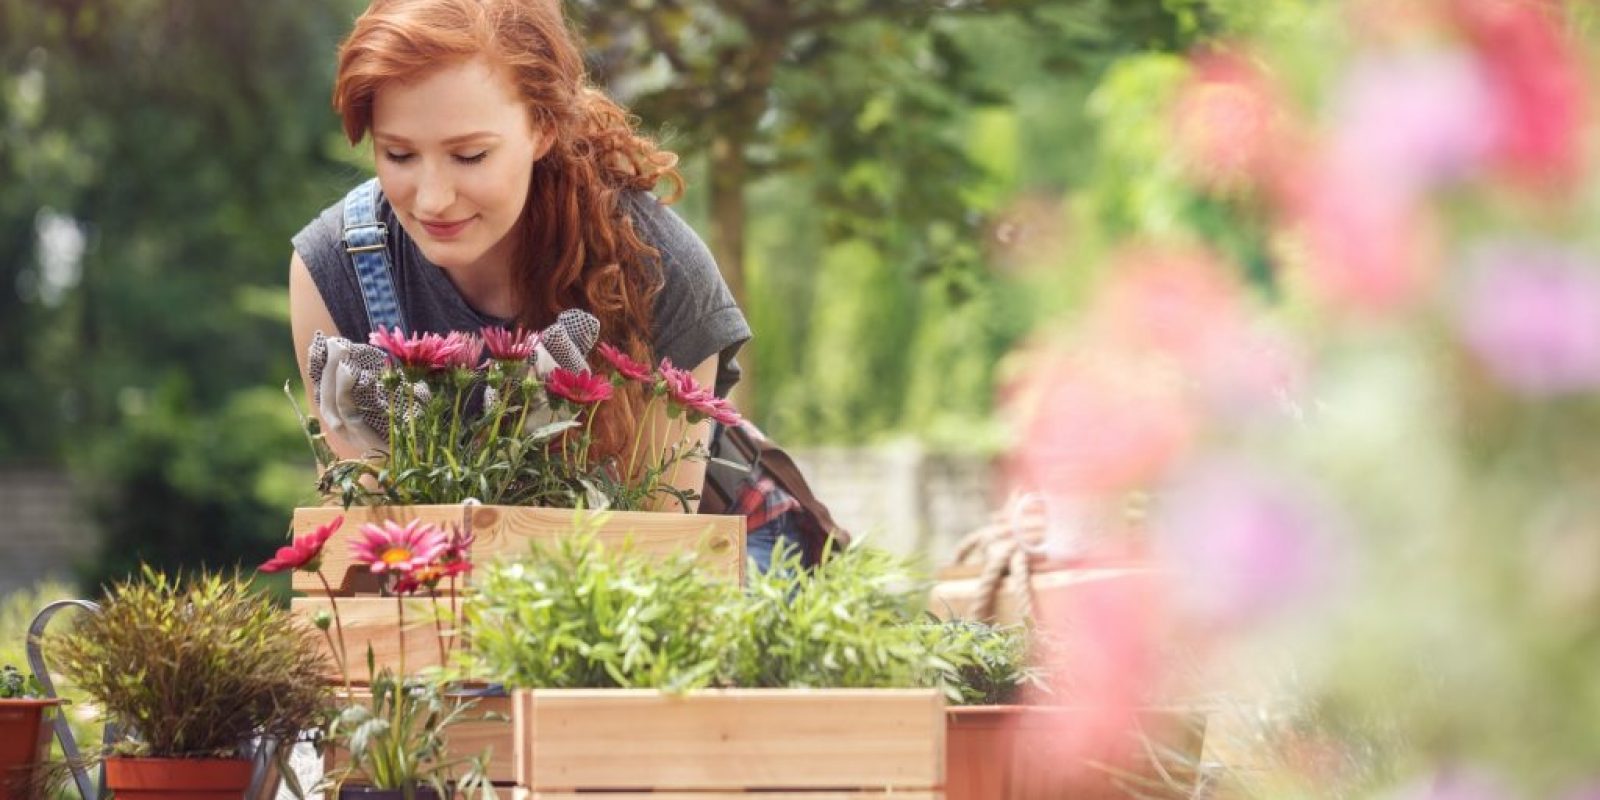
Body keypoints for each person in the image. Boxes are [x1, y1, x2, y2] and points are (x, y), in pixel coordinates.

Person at [288, 0, 751, 516]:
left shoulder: (661, 269)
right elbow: (360, 543)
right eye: (399, 155)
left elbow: (659, 553)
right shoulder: (338, 268)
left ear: (543, 127)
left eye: (470, 156)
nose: (433, 198)